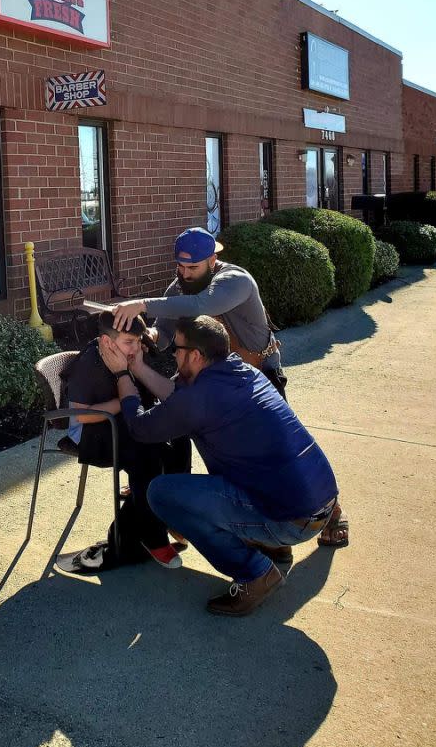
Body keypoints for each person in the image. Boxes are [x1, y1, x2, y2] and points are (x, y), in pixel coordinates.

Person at [111, 226, 349, 549]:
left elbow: (200, 306)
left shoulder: (235, 281)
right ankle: (200, 512)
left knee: (279, 450)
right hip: (211, 384)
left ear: (213, 259)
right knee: (214, 447)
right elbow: (164, 331)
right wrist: (147, 338)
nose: (184, 274)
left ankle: (330, 510)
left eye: (192, 267)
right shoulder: (179, 286)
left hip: (255, 377)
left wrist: (141, 304)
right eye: (179, 267)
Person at [99, 315, 340, 616]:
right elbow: (177, 397)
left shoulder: (200, 398)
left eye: (177, 348)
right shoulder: (242, 372)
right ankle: (271, 545)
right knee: (241, 483)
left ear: (196, 355)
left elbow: (140, 427)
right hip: (320, 504)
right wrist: (137, 367)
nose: (171, 353)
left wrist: (122, 374)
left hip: (292, 519)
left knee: (162, 493)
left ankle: (255, 573)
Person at [57, 311, 185, 574]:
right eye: (129, 342)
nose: (136, 348)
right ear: (106, 341)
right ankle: (153, 537)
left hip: (120, 423)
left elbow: (158, 394)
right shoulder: (90, 363)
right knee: (147, 452)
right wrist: (124, 401)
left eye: (138, 341)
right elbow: (82, 415)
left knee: (178, 437)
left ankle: (172, 513)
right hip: (91, 432)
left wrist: (137, 367)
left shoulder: (129, 354)